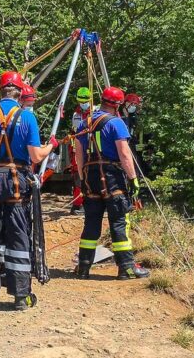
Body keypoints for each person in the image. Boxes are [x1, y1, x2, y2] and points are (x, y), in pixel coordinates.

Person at [0, 71, 58, 311]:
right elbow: (36, 155)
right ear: (19, 92)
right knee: (17, 234)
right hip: (16, 180)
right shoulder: (27, 117)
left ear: (0, 90)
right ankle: (20, 296)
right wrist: (51, 146)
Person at [73, 86, 150, 280]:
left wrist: (83, 179)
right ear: (117, 105)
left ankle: (83, 267)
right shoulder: (116, 123)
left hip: (90, 177)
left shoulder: (84, 124)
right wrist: (133, 179)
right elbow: (124, 154)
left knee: (91, 222)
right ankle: (126, 267)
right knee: (118, 221)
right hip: (111, 177)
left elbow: (79, 154)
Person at [67, 87, 92, 215]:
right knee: (78, 175)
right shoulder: (76, 115)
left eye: (85, 101)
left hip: (93, 148)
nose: (83, 104)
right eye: (81, 102)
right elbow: (75, 131)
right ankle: (77, 204)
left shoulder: (95, 112)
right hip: (78, 147)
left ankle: (92, 202)